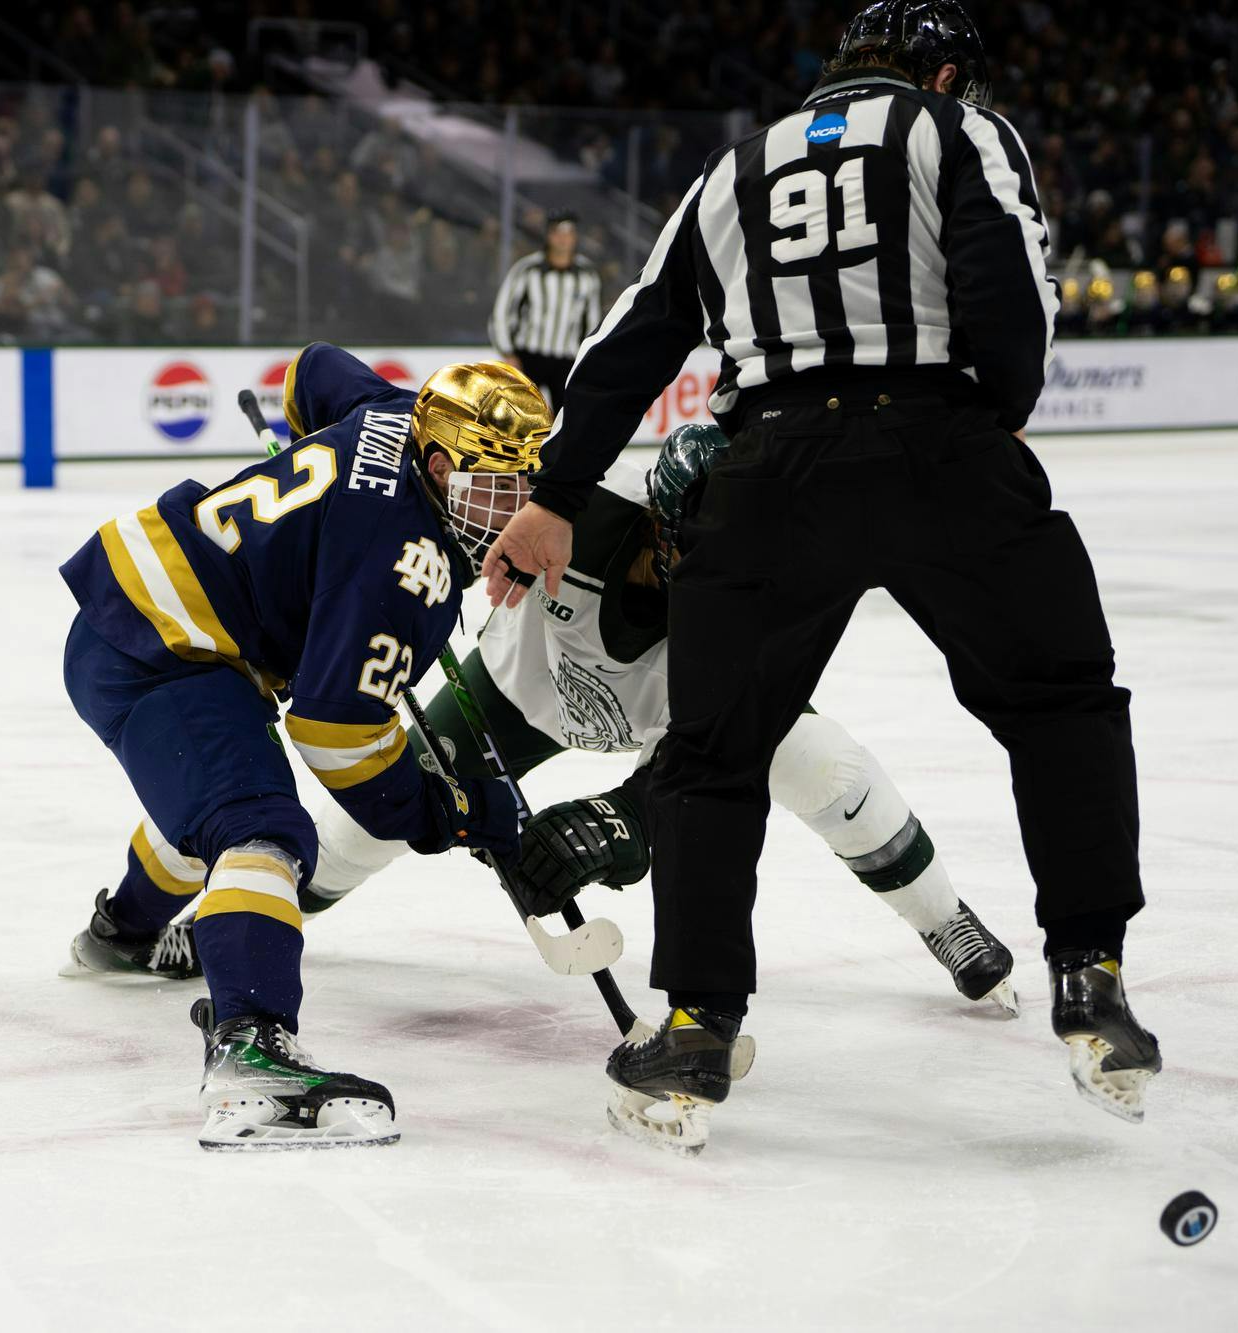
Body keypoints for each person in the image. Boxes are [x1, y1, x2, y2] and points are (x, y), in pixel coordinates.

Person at [484, 0, 1161, 1148]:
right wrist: (986, 419)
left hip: (768, 470)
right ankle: (1088, 975)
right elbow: (1013, 307)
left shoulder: (732, 168)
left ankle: (695, 1024)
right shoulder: (956, 133)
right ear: (944, 73)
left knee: (709, 756)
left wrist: (552, 494)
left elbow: (633, 337)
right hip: (940, 444)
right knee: (1060, 703)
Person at [297, 425, 1019, 1013]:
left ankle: (943, 915)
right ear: (658, 518)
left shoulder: (760, 602)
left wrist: (617, 825)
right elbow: (462, 514)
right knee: (378, 806)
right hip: (522, 690)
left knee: (829, 767)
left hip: (679, 719)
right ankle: (269, 908)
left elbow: (692, 772)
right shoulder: (580, 506)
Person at [58, 343, 545, 1150]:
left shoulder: (395, 411)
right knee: (263, 828)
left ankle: (121, 933)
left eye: (525, 485)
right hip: (163, 646)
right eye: (493, 489)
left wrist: (315, 501)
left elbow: (313, 369)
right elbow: (335, 728)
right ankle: (251, 1044)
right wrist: (442, 812)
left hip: (151, 610)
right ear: (436, 460)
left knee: (211, 804)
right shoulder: (410, 565)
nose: (512, 509)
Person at [488, 210, 604, 410]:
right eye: (558, 233)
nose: (563, 239)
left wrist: (587, 358)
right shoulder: (527, 269)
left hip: (567, 359)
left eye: (568, 233)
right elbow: (502, 311)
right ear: (549, 236)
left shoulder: (587, 275)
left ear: (575, 238)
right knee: (520, 414)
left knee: (566, 418)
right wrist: (507, 352)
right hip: (529, 357)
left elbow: (592, 321)